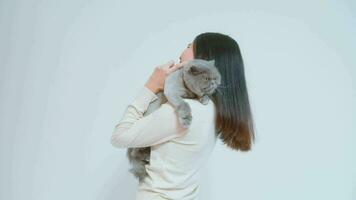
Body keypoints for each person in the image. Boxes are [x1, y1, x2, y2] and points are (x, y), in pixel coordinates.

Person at [111, 32, 256, 200]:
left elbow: (119, 137)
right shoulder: (212, 111)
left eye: (189, 46)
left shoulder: (182, 112)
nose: (181, 53)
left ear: (204, 61)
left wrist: (151, 85)